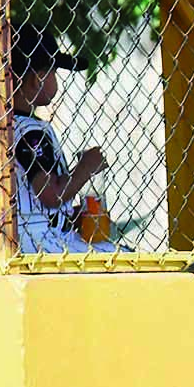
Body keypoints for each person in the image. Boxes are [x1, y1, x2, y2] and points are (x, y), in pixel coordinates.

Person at [8, 24, 115, 254]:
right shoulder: (31, 132)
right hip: (44, 243)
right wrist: (86, 167)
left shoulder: (12, 126)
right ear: (38, 78)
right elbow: (51, 194)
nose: (56, 80)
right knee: (118, 256)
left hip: (36, 236)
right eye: (54, 73)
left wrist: (68, 216)